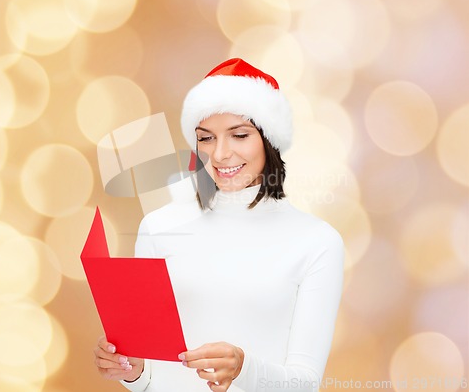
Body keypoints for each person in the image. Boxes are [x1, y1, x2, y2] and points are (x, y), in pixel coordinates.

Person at [93, 58, 345, 392]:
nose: (221, 154)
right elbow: (150, 378)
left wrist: (245, 368)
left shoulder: (317, 241)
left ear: (270, 140)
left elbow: (305, 383)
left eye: (239, 135)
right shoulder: (158, 227)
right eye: (206, 138)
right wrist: (131, 370)